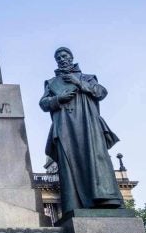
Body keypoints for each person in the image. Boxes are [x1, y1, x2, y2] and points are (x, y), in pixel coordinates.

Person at [39, 47, 124, 214]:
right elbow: (43, 104)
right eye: (58, 57)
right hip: (65, 127)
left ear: (71, 57)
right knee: (68, 164)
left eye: (64, 56)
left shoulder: (87, 78)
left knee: (95, 159)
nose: (61, 59)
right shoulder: (51, 83)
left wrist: (79, 83)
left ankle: (104, 198)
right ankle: (74, 204)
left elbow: (101, 92)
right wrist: (58, 99)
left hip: (88, 124)